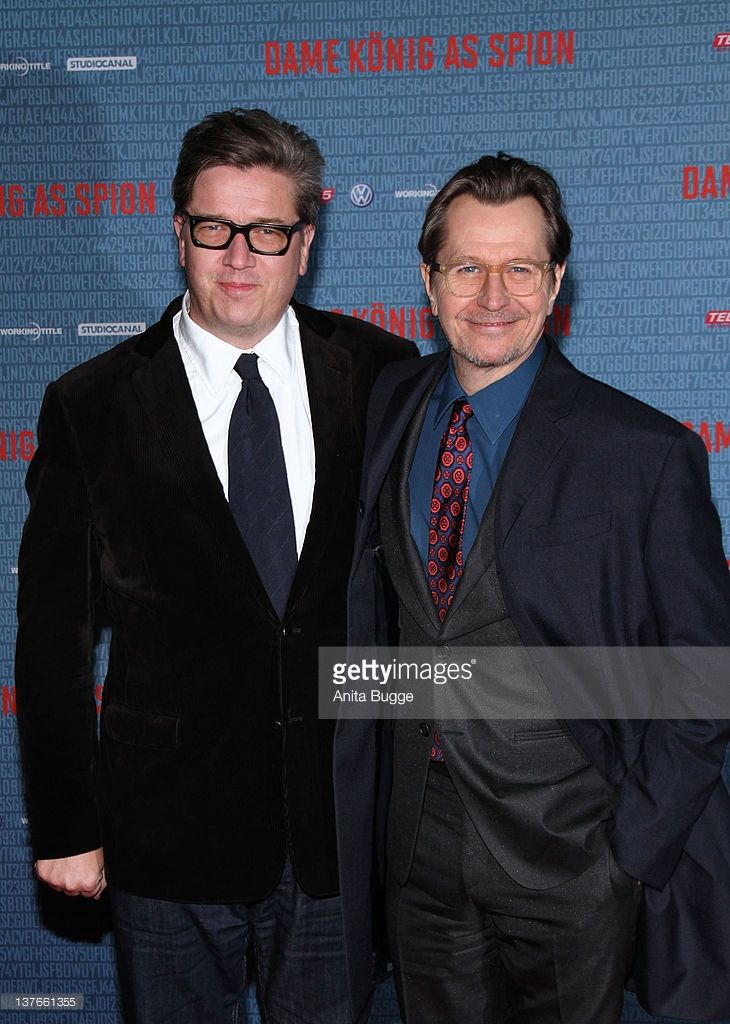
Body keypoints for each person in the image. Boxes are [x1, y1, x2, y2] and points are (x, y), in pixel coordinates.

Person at [15, 107, 415, 1024]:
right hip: (166, 832)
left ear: (304, 244)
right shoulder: (93, 403)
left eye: (267, 231)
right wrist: (69, 825)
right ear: (178, 234)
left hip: (337, 829)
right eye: (214, 228)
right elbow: (53, 637)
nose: (239, 256)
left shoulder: (382, 373)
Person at [335, 153, 730, 1023]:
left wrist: (630, 851)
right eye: (466, 268)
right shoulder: (388, 405)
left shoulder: (645, 452)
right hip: (415, 849)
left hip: (574, 854)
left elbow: (704, 678)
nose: (492, 296)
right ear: (427, 282)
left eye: (520, 269)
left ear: (555, 285)